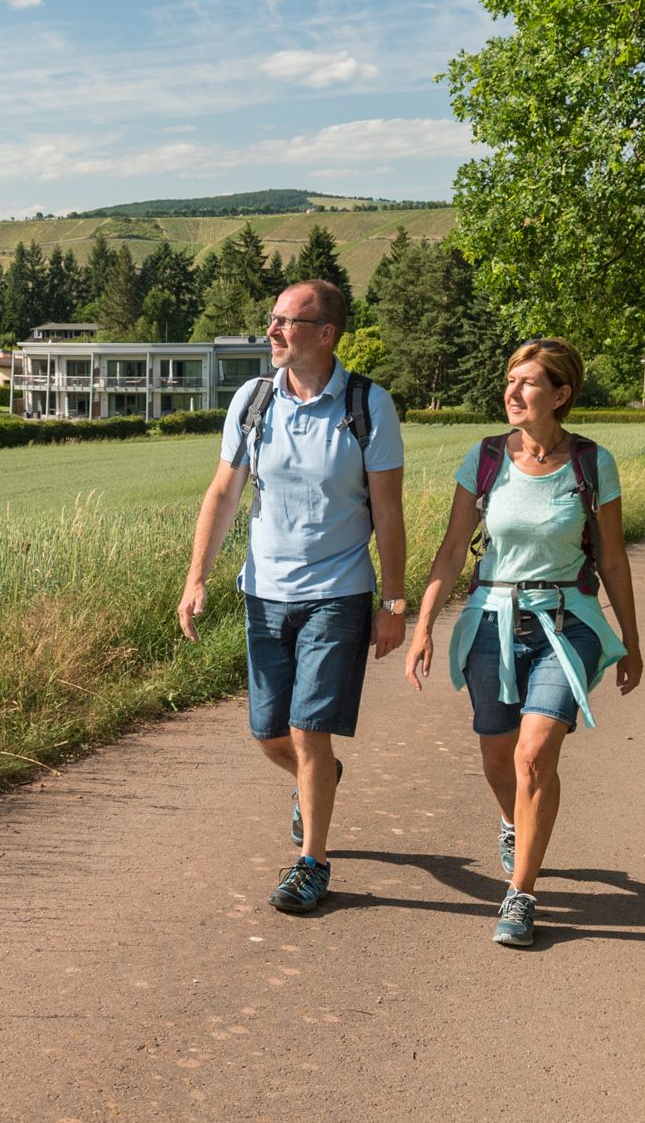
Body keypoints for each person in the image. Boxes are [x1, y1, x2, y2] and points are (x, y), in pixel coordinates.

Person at [403, 337, 644, 948]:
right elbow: (453, 550)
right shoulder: (485, 458)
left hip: (567, 621)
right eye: (510, 380)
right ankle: (513, 821)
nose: (512, 392)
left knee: (534, 754)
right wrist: (423, 625)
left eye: (528, 382)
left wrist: (632, 641)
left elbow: (613, 559)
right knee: (496, 753)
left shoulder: (594, 463)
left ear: (560, 395)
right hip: (491, 619)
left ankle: (521, 893)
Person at [178, 278, 407, 915]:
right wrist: (196, 577)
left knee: (309, 730)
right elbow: (223, 494)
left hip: (338, 593)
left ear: (326, 334)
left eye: (287, 322)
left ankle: (313, 862)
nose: (273, 332)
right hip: (264, 591)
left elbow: (388, 513)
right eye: (272, 320)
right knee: (268, 734)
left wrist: (394, 604)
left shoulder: (367, 405)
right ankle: (320, 780)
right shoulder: (253, 401)